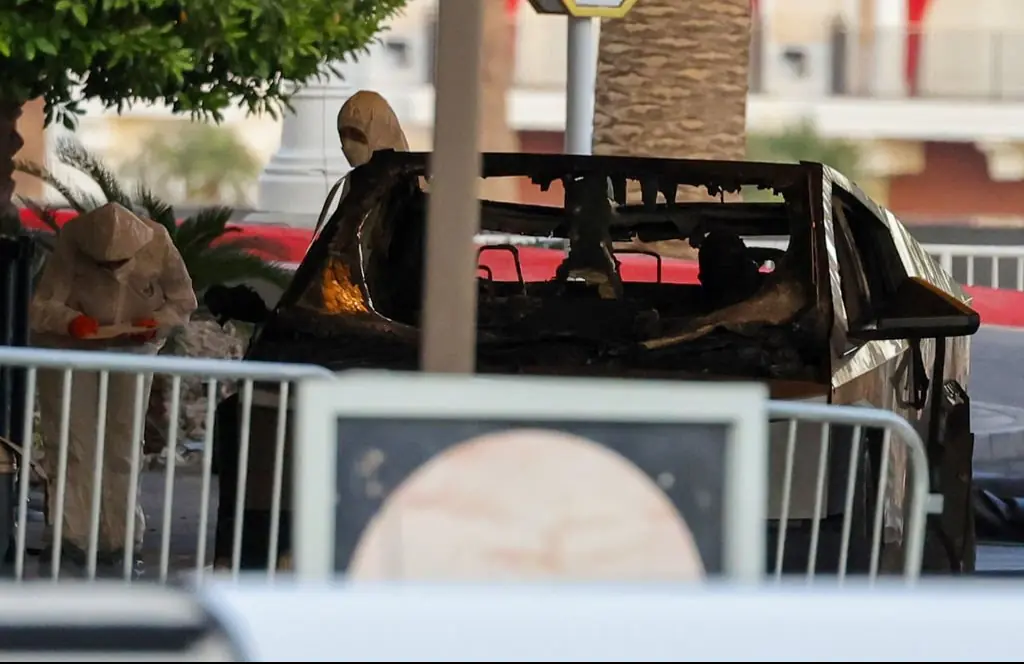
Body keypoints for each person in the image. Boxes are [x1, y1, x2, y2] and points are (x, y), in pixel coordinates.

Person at [29, 202, 198, 577]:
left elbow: (184, 300)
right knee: (75, 444)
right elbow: (42, 306)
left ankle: (119, 541)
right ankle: (71, 537)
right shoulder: (73, 241)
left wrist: (157, 322)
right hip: (70, 352)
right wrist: (72, 322)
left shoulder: (158, 242)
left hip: (132, 351)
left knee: (122, 446)